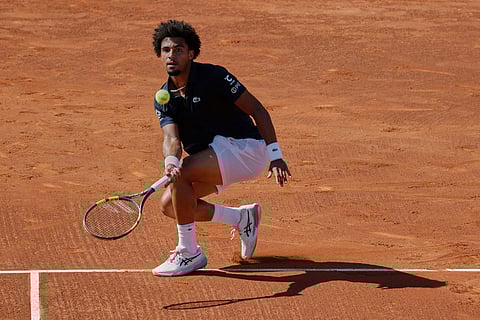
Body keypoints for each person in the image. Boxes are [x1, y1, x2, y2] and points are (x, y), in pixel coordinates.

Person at [151, 20, 291, 276]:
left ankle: (189, 252)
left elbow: (257, 109)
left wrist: (276, 156)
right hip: (216, 157)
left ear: (191, 53)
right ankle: (240, 218)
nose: (172, 55)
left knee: (186, 170)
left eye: (179, 49)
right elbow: (171, 138)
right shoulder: (164, 98)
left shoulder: (214, 76)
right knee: (171, 205)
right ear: (160, 55)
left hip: (247, 148)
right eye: (166, 50)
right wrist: (170, 160)